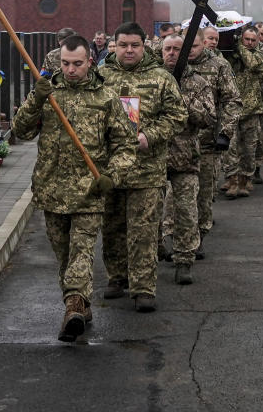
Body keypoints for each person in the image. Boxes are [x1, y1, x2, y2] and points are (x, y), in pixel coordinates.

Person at [12, 34, 137, 341]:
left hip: (88, 192)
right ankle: (79, 302)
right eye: (65, 64)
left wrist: (112, 176)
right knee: (65, 257)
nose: (70, 70)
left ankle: (73, 309)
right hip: (52, 190)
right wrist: (35, 99)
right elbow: (21, 131)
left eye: (77, 64)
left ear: (89, 62)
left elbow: (127, 144)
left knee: (82, 252)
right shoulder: (47, 92)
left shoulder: (109, 96)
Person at [100, 22, 186, 312]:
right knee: (112, 227)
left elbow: (177, 116)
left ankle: (143, 287)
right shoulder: (101, 76)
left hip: (146, 169)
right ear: (115, 45)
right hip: (110, 168)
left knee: (144, 230)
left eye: (134, 45)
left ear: (144, 45)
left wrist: (150, 135)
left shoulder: (160, 78)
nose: (129, 50)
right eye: (123, 45)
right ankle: (116, 277)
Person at [159, 33, 216, 284]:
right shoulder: (152, 80)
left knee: (186, 212)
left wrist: (182, 103)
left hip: (185, 157)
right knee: (149, 212)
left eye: (176, 49)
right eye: (167, 49)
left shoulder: (198, 81)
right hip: (154, 157)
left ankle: (184, 260)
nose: (172, 53)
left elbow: (208, 118)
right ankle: (155, 250)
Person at [184, 27, 241, 255]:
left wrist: (226, 133)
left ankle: (197, 238)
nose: (189, 51)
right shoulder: (171, 65)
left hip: (208, 143)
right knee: (175, 197)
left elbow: (232, 100)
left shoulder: (219, 65)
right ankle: (178, 239)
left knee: (203, 194)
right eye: (185, 46)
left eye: (194, 46)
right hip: (176, 144)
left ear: (203, 44)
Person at [222, 24, 263, 198]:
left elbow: (253, 64)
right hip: (232, 108)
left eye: (253, 40)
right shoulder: (233, 55)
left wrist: (239, 45)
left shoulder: (262, 55)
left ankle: (246, 179)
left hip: (252, 109)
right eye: (246, 39)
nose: (250, 43)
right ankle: (232, 180)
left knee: (249, 148)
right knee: (231, 147)